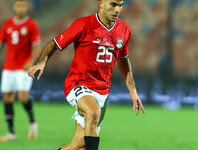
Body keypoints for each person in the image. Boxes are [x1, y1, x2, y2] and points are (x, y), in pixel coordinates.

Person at [28, 0, 145, 149]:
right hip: (78, 83)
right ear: (101, 3)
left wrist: (132, 91)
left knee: (79, 145)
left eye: (120, 5)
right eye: (113, 4)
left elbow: (123, 60)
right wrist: (42, 62)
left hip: (102, 90)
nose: (118, 9)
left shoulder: (124, 30)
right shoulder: (84, 24)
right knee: (93, 111)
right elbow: (55, 43)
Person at [0, 0, 41, 141]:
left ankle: (32, 121)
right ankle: (11, 133)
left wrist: (31, 61)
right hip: (8, 67)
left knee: (23, 97)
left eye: (23, 6)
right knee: (7, 98)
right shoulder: (7, 24)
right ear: (14, 7)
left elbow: (37, 45)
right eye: (19, 6)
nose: (21, 8)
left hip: (23, 68)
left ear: (27, 7)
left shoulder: (31, 24)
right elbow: (1, 43)